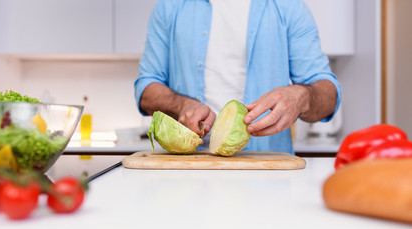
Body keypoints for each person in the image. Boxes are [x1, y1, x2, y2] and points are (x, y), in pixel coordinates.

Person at [134, 0, 341, 154]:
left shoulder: (288, 7)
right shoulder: (170, 6)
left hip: (267, 175)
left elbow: (329, 93)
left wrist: (300, 96)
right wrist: (181, 105)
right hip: (188, 169)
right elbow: (146, 89)